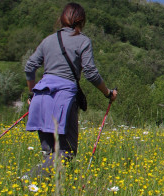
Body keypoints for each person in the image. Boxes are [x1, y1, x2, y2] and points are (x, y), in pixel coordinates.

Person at [23, 3, 118, 178]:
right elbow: (90, 73)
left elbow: (30, 66)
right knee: (66, 151)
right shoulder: (83, 41)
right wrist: (107, 93)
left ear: (62, 19)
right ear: (81, 21)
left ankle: (43, 192)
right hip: (63, 99)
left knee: (49, 151)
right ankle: (30, 179)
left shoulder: (48, 40)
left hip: (41, 96)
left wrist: (32, 93)